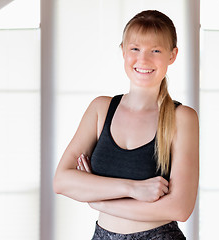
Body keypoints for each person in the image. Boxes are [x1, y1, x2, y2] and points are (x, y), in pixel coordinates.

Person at [53, 10, 199, 240]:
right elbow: (61, 181)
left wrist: (99, 200)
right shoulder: (100, 109)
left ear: (172, 56)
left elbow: (180, 208)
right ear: (122, 50)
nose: (143, 59)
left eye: (156, 50)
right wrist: (132, 188)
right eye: (135, 49)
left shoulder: (182, 117)